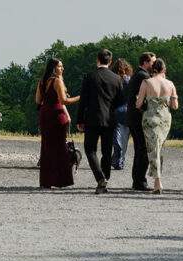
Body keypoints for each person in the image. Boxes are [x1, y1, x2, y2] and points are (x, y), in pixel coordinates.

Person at [76, 48, 125, 195]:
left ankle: (100, 177)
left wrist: (80, 119)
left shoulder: (89, 76)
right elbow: (120, 101)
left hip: (92, 118)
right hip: (109, 119)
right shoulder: (116, 79)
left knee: (90, 150)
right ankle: (105, 180)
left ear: (97, 60)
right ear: (110, 62)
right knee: (106, 151)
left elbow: (83, 100)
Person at [135, 58, 179, 194]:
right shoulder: (170, 83)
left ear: (153, 69)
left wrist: (139, 100)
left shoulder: (146, 82)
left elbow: (138, 104)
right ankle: (157, 181)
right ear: (164, 70)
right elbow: (175, 106)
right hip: (165, 120)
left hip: (150, 119)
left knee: (153, 149)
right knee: (158, 149)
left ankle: (157, 182)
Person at [35, 58, 80, 189]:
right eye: (60, 66)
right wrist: (79, 98)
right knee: (60, 147)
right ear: (54, 68)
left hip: (45, 114)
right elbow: (64, 101)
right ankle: (60, 180)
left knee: (47, 147)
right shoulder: (57, 81)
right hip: (56, 115)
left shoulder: (42, 81)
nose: (62, 69)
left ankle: (46, 180)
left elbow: (38, 100)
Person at [126, 52, 156, 191]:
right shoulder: (144, 76)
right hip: (139, 117)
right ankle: (140, 181)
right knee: (143, 149)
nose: (154, 65)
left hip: (133, 117)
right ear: (145, 62)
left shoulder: (137, 75)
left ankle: (136, 180)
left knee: (139, 149)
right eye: (152, 62)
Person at [110, 58, 134, 171]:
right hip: (128, 111)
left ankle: (117, 160)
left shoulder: (114, 80)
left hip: (116, 111)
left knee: (117, 138)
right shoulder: (130, 80)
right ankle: (120, 160)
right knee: (124, 138)